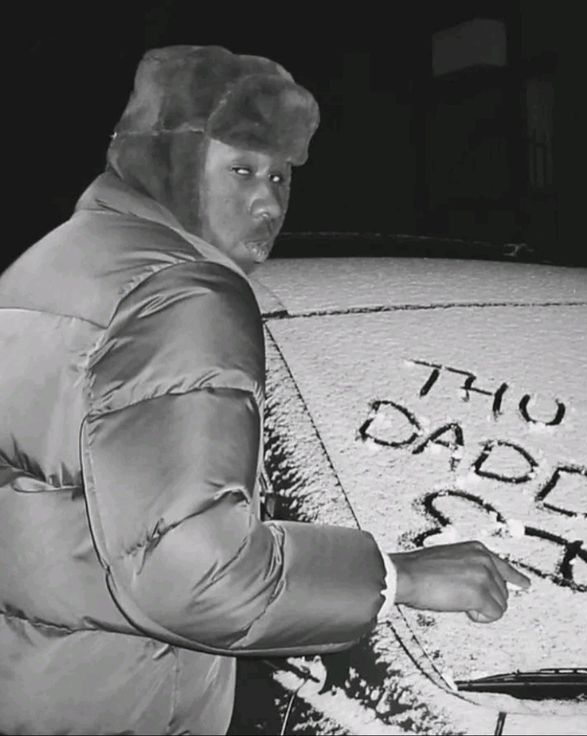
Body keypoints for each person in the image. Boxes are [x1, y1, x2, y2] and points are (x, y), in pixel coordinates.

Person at [0, 45, 530, 735]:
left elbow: (56, 510)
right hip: (130, 701)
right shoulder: (186, 294)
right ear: (170, 160)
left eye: (281, 175)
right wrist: (395, 577)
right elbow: (193, 578)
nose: (268, 198)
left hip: (40, 683)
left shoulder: (46, 268)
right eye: (242, 168)